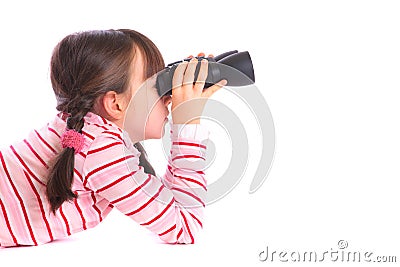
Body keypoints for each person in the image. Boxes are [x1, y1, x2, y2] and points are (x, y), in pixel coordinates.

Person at [0, 29, 226, 247]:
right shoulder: (102, 150)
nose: (169, 98)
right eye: (158, 86)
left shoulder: (82, 132)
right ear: (115, 103)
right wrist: (187, 123)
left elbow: (168, 205)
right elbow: (185, 226)